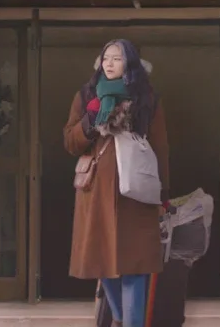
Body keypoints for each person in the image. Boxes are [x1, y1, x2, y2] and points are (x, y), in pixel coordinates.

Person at [63, 39, 170, 327]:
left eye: (117, 58)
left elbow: (160, 147)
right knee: (101, 260)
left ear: (130, 63)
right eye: (105, 58)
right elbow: (70, 142)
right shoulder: (87, 95)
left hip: (136, 191)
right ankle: (121, 318)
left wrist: (163, 195)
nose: (109, 63)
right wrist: (90, 118)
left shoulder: (147, 97)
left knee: (136, 264)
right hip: (96, 191)